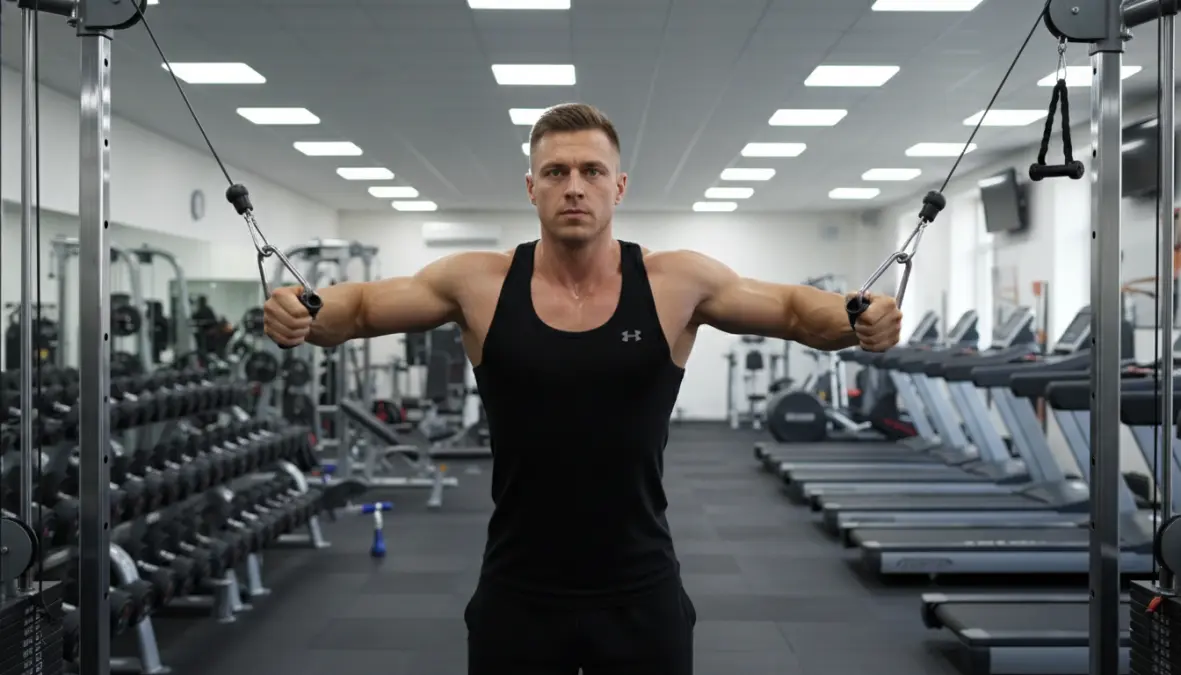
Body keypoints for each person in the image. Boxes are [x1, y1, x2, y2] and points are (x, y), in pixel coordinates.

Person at [264, 102, 903, 674]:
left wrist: (856, 315)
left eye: (592, 172)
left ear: (618, 186)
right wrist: (305, 310)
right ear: (531, 188)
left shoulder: (674, 281)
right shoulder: (479, 282)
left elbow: (794, 310)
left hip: (641, 589)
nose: (575, 187)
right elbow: (365, 307)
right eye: (556, 172)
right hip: (517, 591)